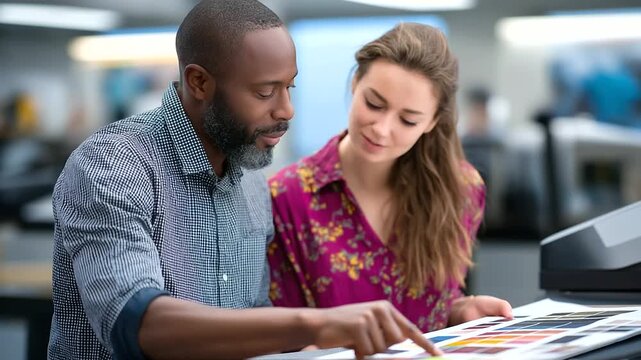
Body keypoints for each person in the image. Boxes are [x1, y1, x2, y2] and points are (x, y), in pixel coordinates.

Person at [48, 2, 440, 359]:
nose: (286, 109)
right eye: (265, 91)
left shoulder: (251, 182)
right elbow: (138, 324)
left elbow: (252, 322)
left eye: (289, 87)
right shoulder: (114, 166)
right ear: (199, 83)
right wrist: (316, 323)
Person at [268, 23, 513, 333]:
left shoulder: (461, 189)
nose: (382, 129)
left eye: (408, 120)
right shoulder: (288, 194)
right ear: (355, 83)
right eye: (374, 104)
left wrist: (458, 311)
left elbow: (431, 303)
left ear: (432, 121)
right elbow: (279, 331)